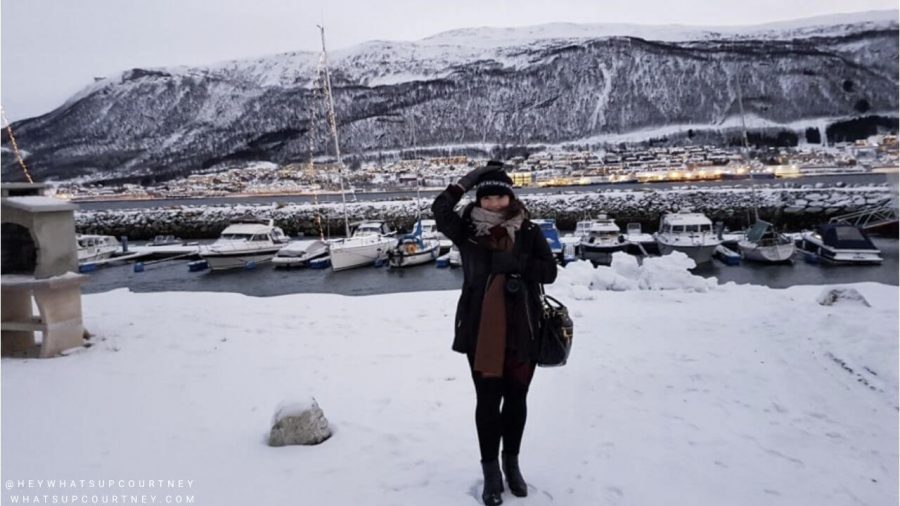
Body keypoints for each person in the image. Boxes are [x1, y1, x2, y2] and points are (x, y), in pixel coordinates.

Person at [431, 161, 558, 506]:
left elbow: (549, 273)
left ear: (510, 197)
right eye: (487, 197)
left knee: (516, 400)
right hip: (480, 329)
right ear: (479, 200)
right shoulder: (467, 231)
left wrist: (516, 265)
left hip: (524, 329)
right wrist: (471, 178)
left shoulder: (529, 231)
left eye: (501, 196)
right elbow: (440, 208)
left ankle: (511, 465)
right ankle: (491, 473)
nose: (494, 203)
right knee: (487, 403)